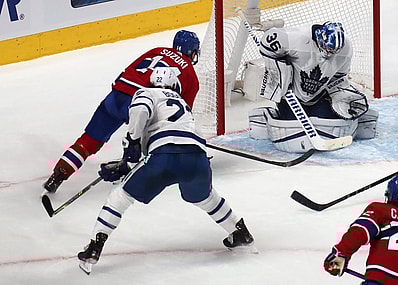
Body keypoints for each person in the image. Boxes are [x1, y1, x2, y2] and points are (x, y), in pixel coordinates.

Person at [77, 67, 255, 275]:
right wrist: (125, 163)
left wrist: (132, 144)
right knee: (206, 198)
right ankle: (240, 232)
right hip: (197, 158)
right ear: (174, 85)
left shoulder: (147, 93)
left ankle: (94, 247)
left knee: (120, 197)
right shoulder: (182, 104)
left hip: (164, 155)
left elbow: (141, 110)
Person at [43, 30, 200, 193]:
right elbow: (180, 116)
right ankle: (130, 164)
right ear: (193, 52)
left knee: (88, 141)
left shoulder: (157, 50)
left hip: (117, 94)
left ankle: (57, 176)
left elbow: (128, 70)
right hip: (142, 102)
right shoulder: (191, 77)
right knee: (153, 139)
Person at [248, 22, 379, 153]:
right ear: (319, 38)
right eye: (327, 48)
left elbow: (338, 78)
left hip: (320, 96)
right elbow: (268, 40)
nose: (329, 53)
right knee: (290, 123)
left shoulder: (346, 49)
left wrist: (341, 96)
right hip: (291, 97)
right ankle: (265, 115)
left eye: (333, 51)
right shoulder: (295, 39)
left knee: (328, 123)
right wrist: (279, 71)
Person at [324, 175, 398, 285]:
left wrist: (341, 253)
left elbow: (361, 231)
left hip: (382, 276)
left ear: (388, 196)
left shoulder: (379, 209)